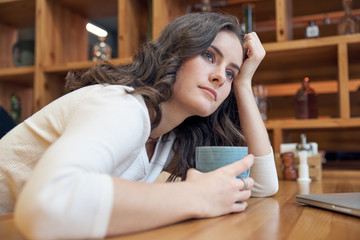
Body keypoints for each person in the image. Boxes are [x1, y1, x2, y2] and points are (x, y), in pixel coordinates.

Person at [0, 12, 278, 239]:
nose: (220, 77)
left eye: (230, 72)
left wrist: (244, 82)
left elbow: (262, 186)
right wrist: (196, 195)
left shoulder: (167, 136)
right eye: (208, 56)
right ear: (175, 53)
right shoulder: (122, 105)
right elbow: (47, 205)